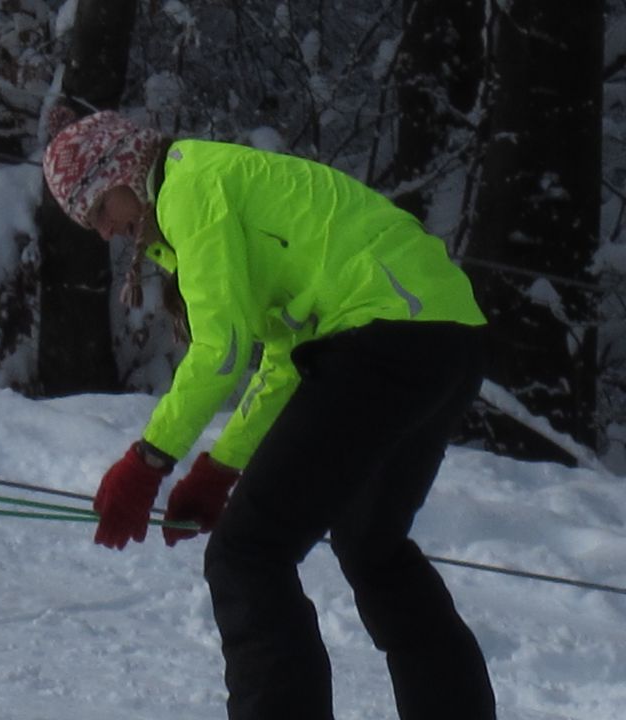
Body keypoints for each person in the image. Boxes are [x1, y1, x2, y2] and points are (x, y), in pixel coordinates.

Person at [42, 110, 497, 720]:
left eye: (97, 209)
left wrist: (147, 461)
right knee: (372, 547)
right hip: (447, 337)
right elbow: (284, 356)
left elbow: (221, 352)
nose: (103, 232)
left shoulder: (189, 186)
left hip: (384, 336)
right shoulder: (218, 180)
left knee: (247, 555)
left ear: (121, 168)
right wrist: (219, 469)